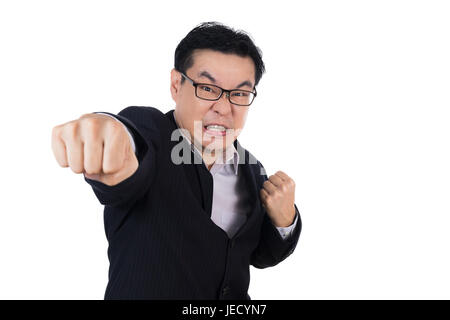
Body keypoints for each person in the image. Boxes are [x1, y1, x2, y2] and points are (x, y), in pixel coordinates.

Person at [51, 21, 302, 300]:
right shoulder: (153, 134)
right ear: (176, 85)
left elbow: (258, 255)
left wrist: (285, 221)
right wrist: (108, 132)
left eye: (240, 94)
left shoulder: (253, 169)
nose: (223, 107)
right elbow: (131, 142)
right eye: (207, 88)